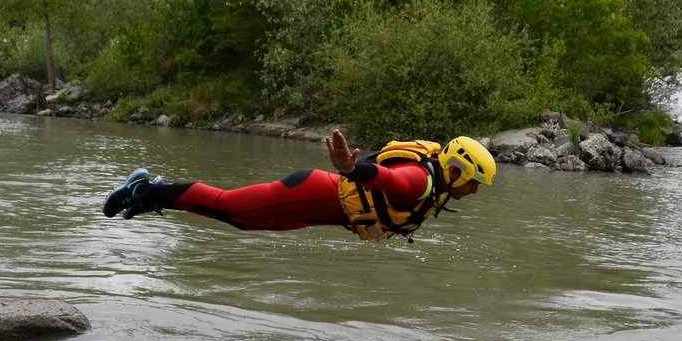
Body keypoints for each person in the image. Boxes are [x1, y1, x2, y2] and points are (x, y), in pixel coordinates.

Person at [102, 129, 496, 242]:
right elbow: (390, 178)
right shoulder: (420, 182)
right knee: (228, 205)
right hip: (311, 192)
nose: (475, 192)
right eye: (475, 183)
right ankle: (146, 189)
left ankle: (155, 196)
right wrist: (352, 168)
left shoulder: (435, 184)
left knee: (235, 219)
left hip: (314, 208)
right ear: (459, 171)